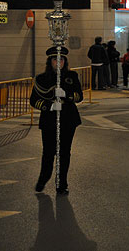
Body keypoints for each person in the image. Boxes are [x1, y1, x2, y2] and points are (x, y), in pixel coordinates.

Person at [31, 47, 83, 195]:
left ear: (65, 61)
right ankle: (43, 178)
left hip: (68, 120)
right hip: (49, 120)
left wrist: (67, 95)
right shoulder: (42, 78)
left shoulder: (72, 76)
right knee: (48, 152)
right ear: (50, 61)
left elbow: (79, 96)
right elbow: (33, 100)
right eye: (55, 59)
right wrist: (49, 106)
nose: (58, 62)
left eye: (61, 59)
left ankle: (62, 184)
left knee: (65, 153)